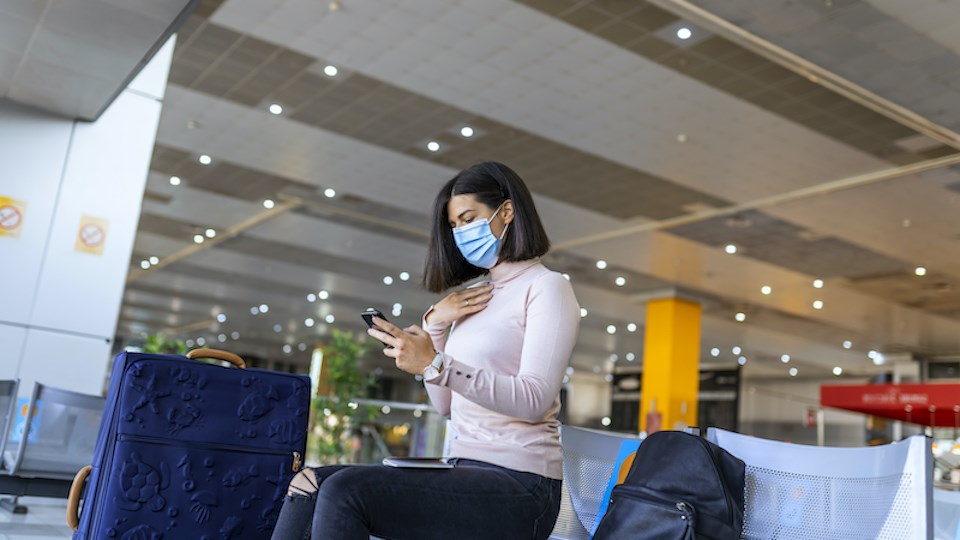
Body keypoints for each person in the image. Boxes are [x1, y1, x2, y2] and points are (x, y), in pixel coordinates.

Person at [270, 161, 580, 540]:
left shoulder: (547, 287)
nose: (462, 234)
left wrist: (435, 362)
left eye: (470, 219)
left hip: (523, 485)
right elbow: (447, 406)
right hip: (464, 466)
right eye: (455, 226)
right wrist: (434, 324)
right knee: (311, 482)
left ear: (508, 211)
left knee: (346, 491)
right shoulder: (472, 300)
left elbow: (534, 399)